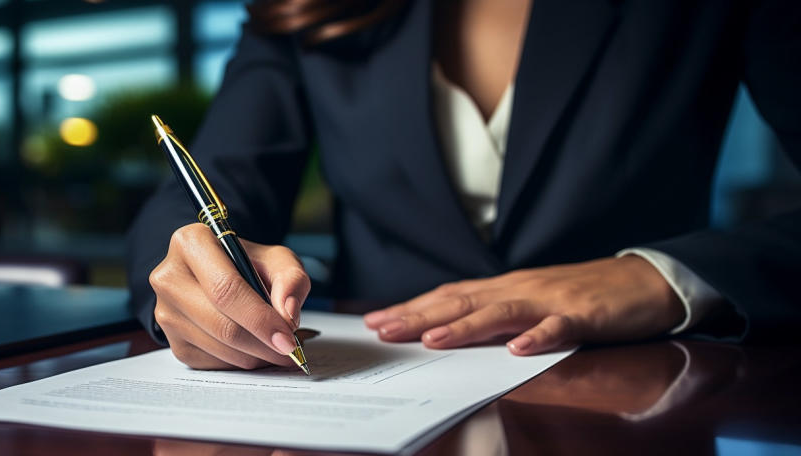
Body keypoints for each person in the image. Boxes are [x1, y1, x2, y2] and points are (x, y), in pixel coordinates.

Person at [127, 0, 801, 370]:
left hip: (645, 396)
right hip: (369, 408)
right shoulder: (305, 10)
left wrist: (666, 278)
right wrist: (193, 277)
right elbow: (198, 199)